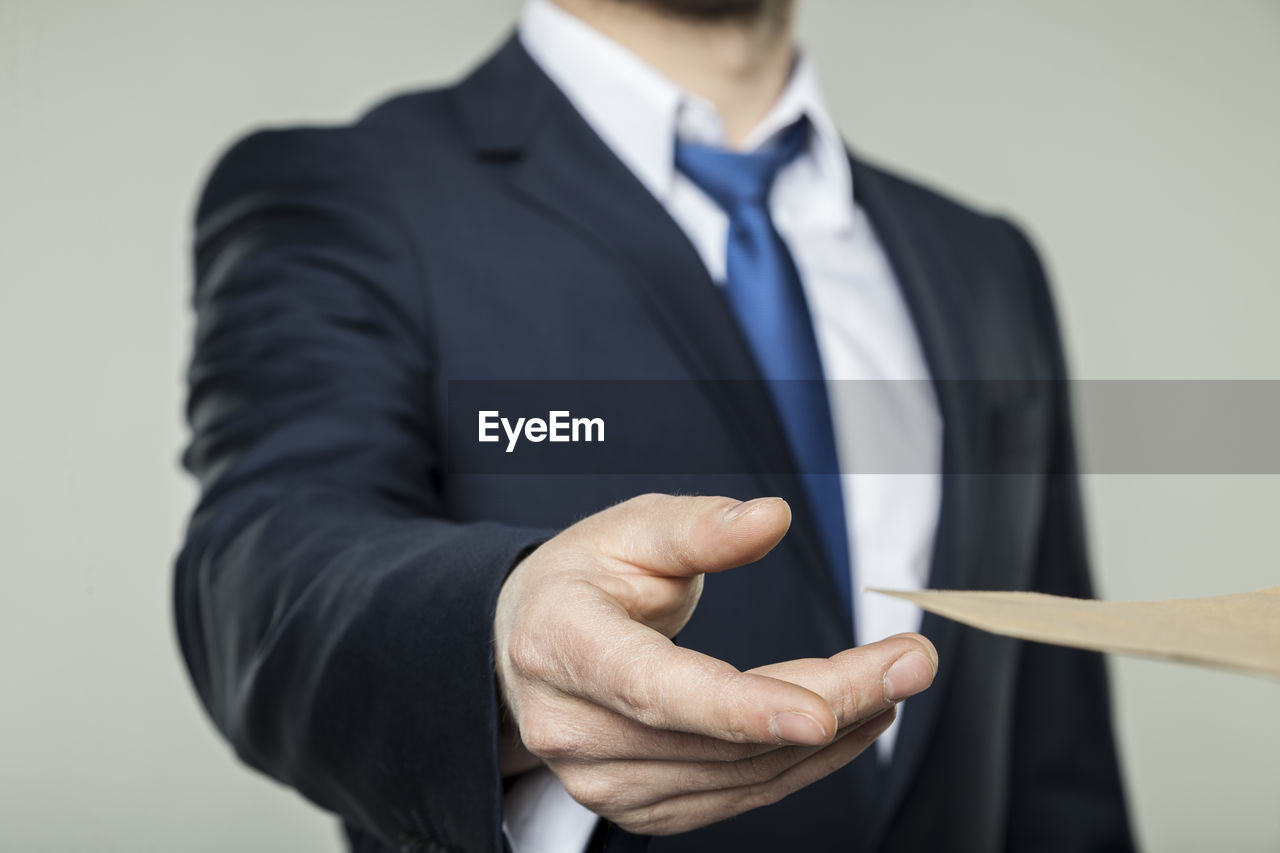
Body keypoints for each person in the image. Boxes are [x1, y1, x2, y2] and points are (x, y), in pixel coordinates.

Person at [175, 0, 1135, 850]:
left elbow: (1056, 747)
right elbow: (268, 562)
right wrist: (500, 640)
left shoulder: (985, 265)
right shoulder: (350, 192)